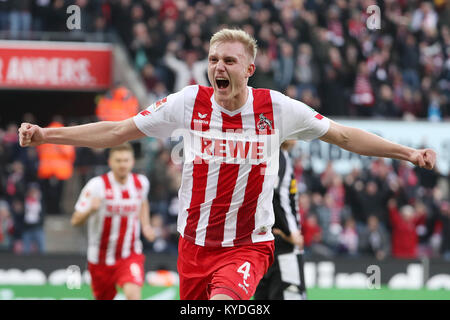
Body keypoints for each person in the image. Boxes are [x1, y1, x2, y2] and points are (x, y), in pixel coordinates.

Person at [19, 28, 436, 300]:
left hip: (247, 245)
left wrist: (409, 154)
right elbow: (117, 132)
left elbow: (345, 136)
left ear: (249, 69)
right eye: (214, 59)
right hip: (192, 245)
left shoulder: (277, 108)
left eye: (229, 61)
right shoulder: (188, 103)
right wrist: (47, 135)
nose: (219, 66)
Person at [71, 143, 155, 300]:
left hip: (129, 254)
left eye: (126, 160)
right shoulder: (96, 185)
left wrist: (146, 225)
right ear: (110, 162)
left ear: (132, 162)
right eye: (118, 160)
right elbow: (75, 220)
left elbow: (143, 203)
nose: (122, 164)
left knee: (133, 295)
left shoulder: (141, 183)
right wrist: (90, 209)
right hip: (100, 258)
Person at [254, 140, 307, 300]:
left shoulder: (273, 156)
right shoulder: (277, 157)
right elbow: (273, 196)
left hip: (266, 243)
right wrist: (288, 232)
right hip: (284, 246)